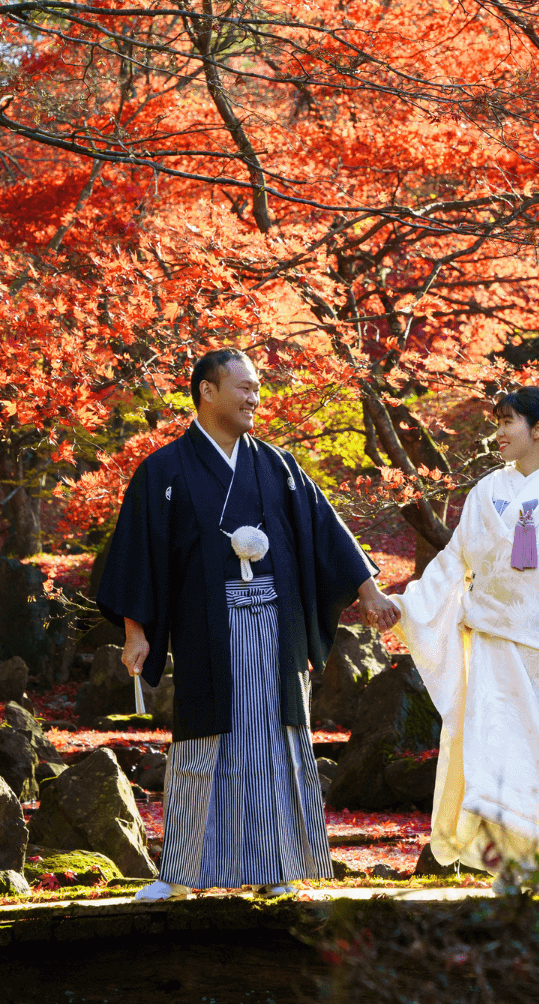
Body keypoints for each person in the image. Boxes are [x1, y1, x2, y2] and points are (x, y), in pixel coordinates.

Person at [95, 348, 395, 900]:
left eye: (258, 388)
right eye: (245, 387)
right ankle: (181, 875)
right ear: (207, 392)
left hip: (275, 631)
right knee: (202, 750)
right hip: (207, 630)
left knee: (276, 745)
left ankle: (277, 869)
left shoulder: (277, 465)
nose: (256, 397)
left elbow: (324, 531)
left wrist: (369, 590)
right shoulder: (164, 470)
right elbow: (141, 557)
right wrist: (136, 633)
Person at [381, 385, 539, 892]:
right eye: (495, 423)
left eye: (508, 423)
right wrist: (407, 606)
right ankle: (511, 866)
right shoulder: (485, 493)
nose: (497, 433)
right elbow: (454, 561)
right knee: (494, 751)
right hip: (494, 647)